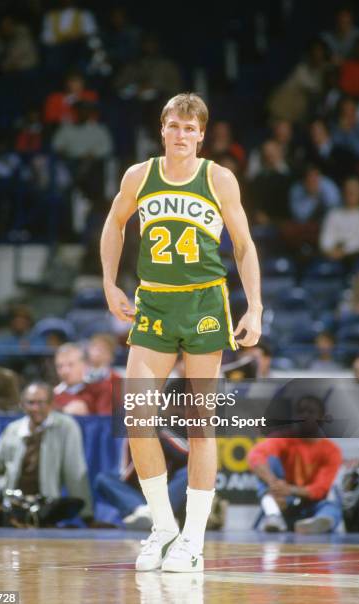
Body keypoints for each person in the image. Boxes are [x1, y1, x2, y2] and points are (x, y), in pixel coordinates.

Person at [100, 93, 262, 572]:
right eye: (174, 126)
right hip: (154, 302)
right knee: (137, 416)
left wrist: (255, 306)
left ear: (202, 134)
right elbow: (115, 222)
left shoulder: (218, 178)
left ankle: (193, 540)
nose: (181, 135)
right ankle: (163, 527)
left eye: (190, 129)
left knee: (200, 423)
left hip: (205, 304)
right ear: (162, 129)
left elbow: (245, 246)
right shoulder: (139, 175)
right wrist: (109, 283)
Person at [0, 382, 93, 527]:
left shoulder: (66, 427)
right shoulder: (13, 429)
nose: (36, 408)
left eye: (41, 403)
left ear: (51, 404)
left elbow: (75, 474)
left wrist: (87, 517)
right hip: (6, 495)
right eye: (31, 403)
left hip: (39, 504)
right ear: (22, 405)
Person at [248, 396, 342, 534]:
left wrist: (290, 489)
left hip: (312, 504)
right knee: (267, 464)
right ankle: (273, 514)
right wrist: (274, 483)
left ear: (322, 418)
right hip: (285, 501)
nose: (304, 416)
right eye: (300, 411)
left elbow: (320, 489)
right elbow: (255, 456)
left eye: (310, 412)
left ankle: (320, 522)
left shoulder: (331, 451)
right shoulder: (284, 438)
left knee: (331, 504)